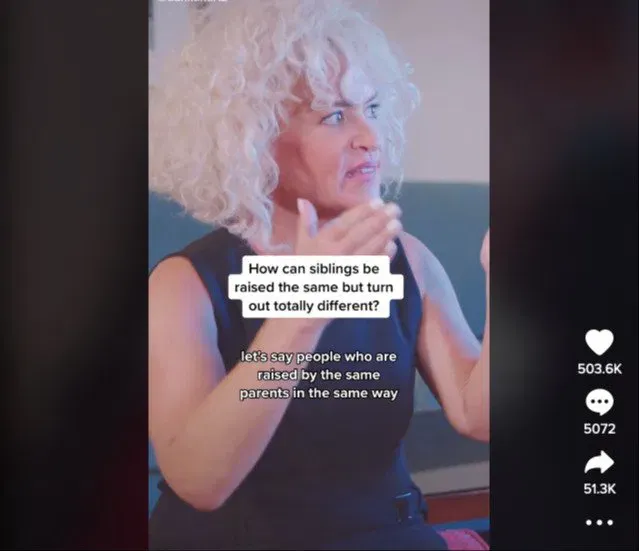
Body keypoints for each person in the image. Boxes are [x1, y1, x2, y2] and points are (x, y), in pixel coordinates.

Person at [148, 1, 490, 549]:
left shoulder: (409, 259)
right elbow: (200, 481)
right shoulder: (183, 285)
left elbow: (479, 415)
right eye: (334, 116)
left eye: (372, 108)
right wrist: (304, 309)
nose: (370, 137)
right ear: (252, 138)